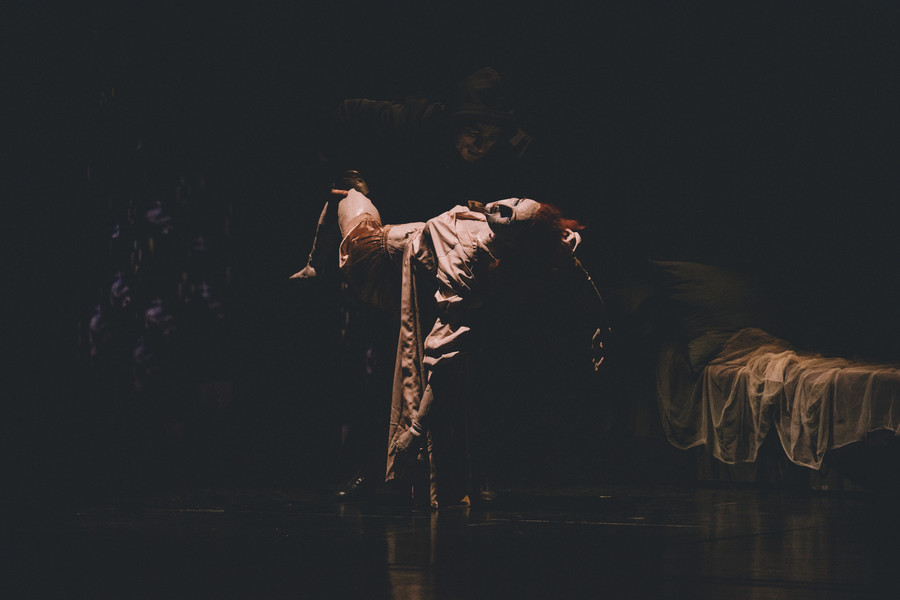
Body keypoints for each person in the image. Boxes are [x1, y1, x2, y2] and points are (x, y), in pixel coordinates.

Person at [291, 67, 549, 501]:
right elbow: (342, 113)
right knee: (385, 359)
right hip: (393, 253)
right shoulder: (416, 120)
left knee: (463, 361)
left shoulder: (506, 157)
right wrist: (344, 174)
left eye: (490, 137)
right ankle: (373, 468)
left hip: (451, 265)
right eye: (473, 132)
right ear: (454, 122)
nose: (480, 145)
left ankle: (470, 471)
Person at [326, 186, 610, 508]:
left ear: (513, 243)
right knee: (396, 377)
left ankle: (449, 474)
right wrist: (601, 325)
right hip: (393, 265)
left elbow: (445, 357)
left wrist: (416, 432)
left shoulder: (468, 260)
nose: (503, 206)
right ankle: (377, 470)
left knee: (447, 380)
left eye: (512, 214)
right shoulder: (526, 234)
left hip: (403, 277)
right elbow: (579, 272)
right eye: (517, 200)